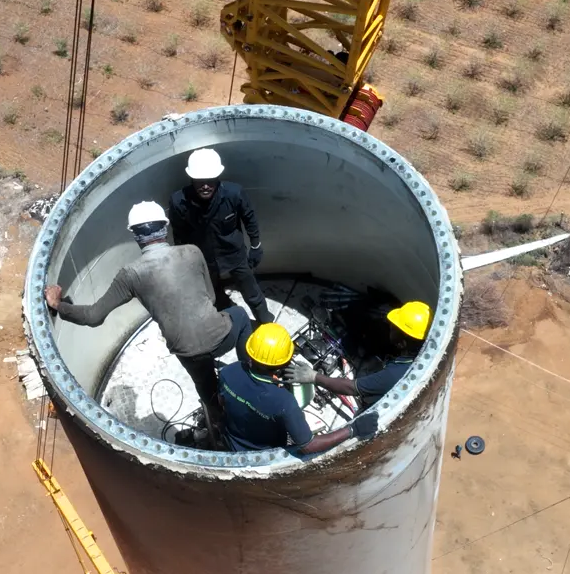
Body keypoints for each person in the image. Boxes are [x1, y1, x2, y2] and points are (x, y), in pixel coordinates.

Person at [44, 200, 252, 436]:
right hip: (220, 335)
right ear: (165, 226)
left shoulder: (130, 274)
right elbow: (212, 298)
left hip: (187, 351)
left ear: (134, 234)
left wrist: (57, 304)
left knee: (206, 388)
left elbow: (93, 316)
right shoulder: (192, 252)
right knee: (241, 315)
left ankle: (217, 419)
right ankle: (251, 373)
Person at [219, 323, 377, 455]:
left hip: (233, 440)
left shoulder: (227, 372)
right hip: (266, 451)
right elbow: (308, 446)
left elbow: (223, 402)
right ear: (282, 364)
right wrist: (353, 429)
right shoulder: (283, 402)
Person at [168, 148, 271, 325]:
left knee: (252, 292)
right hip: (204, 259)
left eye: (210, 180)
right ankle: (231, 320)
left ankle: (266, 322)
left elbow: (250, 219)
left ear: (217, 178)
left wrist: (256, 246)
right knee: (214, 294)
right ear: (191, 178)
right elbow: (179, 234)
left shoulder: (234, 194)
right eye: (200, 181)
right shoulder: (179, 202)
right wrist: (184, 261)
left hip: (234, 254)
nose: (205, 185)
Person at [309, 300, 430, 404]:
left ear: (402, 343)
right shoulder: (423, 349)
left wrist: (314, 377)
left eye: (393, 328)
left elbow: (351, 388)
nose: (390, 325)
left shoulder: (394, 374)